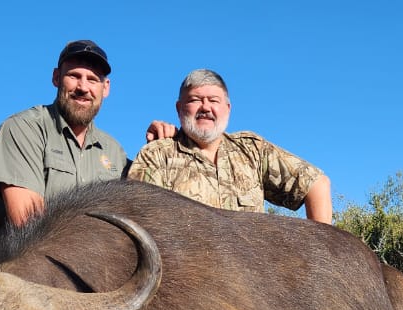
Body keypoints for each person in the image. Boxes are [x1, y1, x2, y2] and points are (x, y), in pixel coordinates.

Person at [128, 69, 333, 224]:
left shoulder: (253, 150)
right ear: (179, 108)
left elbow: (316, 183)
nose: (206, 107)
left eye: (214, 100)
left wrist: (321, 255)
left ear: (227, 108)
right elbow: (137, 220)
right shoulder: (156, 155)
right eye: (195, 100)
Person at [0, 39, 128, 245]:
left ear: (105, 88)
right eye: (74, 76)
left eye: (92, 79)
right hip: (29, 260)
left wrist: (167, 138)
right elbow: (29, 228)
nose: (83, 87)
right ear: (56, 77)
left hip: (99, 262)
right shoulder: (23, 129)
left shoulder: (114, 151)